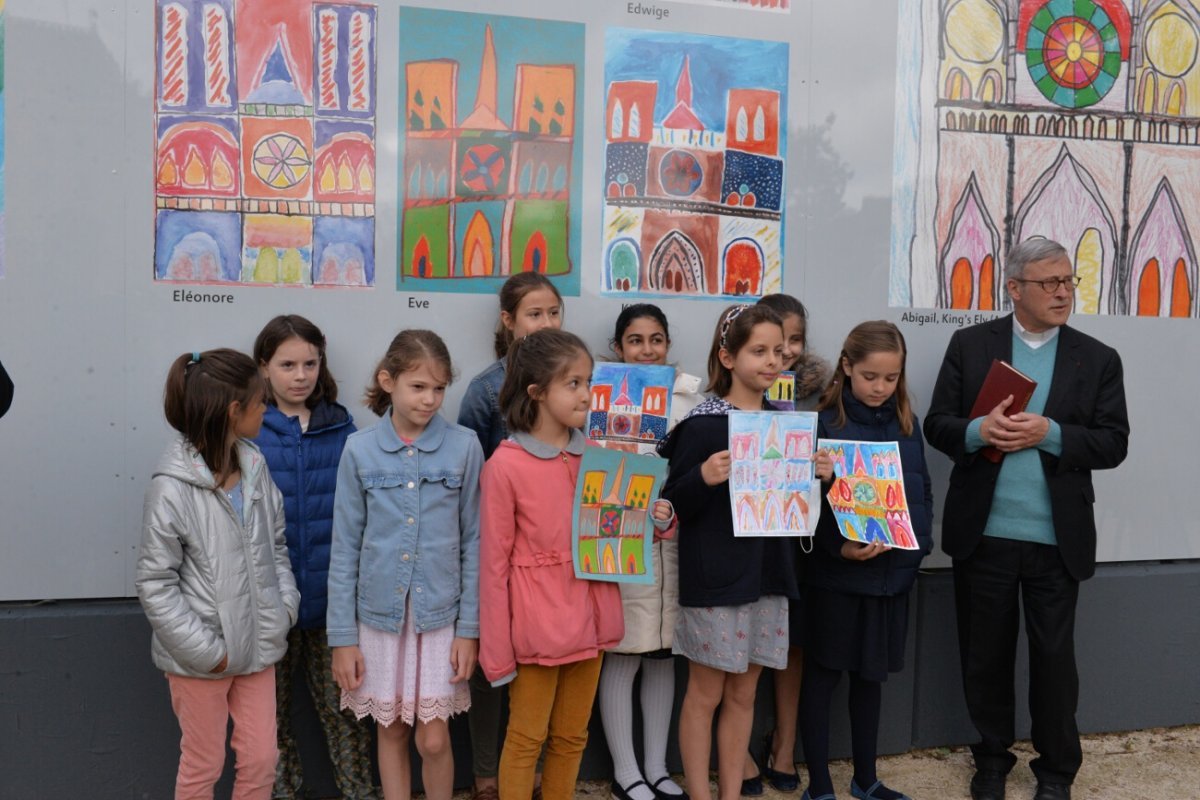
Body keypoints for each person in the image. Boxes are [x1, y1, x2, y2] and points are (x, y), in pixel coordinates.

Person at [924, 238, 1129, 800]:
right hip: (984, 534)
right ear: (1014, 288)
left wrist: (1051, 433)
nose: (1063, 292)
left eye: (1068, 281)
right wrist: (977, 431)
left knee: (1054, 665)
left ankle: (1057, 771)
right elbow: (936, 424)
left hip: (1055, 540)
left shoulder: (1098, 357)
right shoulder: (970, 346)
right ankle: (991, 760)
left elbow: (1114, 443)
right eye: (1049, 283)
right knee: (985, 657)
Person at [479, 329, 670, 800]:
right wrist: (497, 652)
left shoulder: (603, 457)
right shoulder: (506, 465)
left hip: (592, 623)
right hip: (537, 630)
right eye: (573, 383)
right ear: (536, 392)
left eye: (588, 382)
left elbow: (622, 534)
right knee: (526, 739)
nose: (587, 394)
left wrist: (657, 518)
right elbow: (492, 566)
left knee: (572, 737)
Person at [137, 349, 300, 800]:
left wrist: (283, 610)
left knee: (263, 760)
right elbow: (155, 583)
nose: (266, 409)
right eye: (260, 401)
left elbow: (278, 546)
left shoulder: (256, 467)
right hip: (201, 659)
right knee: (203, 763)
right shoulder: (170, 488)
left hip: (260, 646)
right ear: (234, 411)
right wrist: (208, 652)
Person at [327, 330, 483, 800]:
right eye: (419, 387)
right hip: (377, 618)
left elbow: (474, 542)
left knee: (433, 738)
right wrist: (342, 639)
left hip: (441, 617)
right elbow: (344, 547)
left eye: (439, 388)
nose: (431, 399)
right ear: (388, 381)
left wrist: (469, 629)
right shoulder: (359, 450)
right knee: (391, 730)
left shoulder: (465, 446)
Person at [658, 305, 799, 800]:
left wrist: (818, 474)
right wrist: (701, 478)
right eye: (758, 351)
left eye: (778, 351)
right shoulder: (701, 426)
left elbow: (794, 511)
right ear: (727, 356)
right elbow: (669, 508)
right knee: (706, 693)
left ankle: (731, 792)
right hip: (716, 580)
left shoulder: (787, 426)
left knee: (744, 693)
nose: (771, 361)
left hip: (768, 578)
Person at [798, 321, 933, 800]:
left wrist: (917, 548)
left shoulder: (907, 423)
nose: (880, 388)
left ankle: (865, 779)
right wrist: (839, 547)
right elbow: (802, 511)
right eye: (870, 376)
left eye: (891, 378)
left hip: (889, 577)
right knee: (821, 676)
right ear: (847, 367)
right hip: (836, 579)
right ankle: (818, 785)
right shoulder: (821, 424)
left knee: (870, 679)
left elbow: (921, 492)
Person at [250, 315, 377, 800]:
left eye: (309, 363)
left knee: (343, 712)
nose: (300, 375)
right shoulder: (249, 430)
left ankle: (360, 792)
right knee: (269, 721)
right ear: (264, 367)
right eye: (287, 364)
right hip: (268, 609)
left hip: (332, 609)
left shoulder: (343, 428)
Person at [459, 272, 563, 800]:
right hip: (499, 555)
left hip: (553, 562)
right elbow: (470, 480)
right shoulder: (484, 391)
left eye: (553, 313)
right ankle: (485, 775)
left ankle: (532, 768)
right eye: (534, 314)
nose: (545, 323)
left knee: (542, 665)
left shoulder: (573, 387)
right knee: (490, 666)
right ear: (508, 322)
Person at [598, 304, 702, 800]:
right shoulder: (601, 400)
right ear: (619, 347)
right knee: (625, 651)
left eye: (656, 339)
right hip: (623, 542)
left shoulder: (690, 402)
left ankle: (658, 768)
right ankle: (626, 772)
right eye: (635, 340)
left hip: (675, 547)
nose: (647, 349)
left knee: (664, 654)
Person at [743, 294, 831, 795]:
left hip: (804, 538)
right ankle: (738, 749)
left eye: (794, 340)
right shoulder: (740, 391)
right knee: (750, 645)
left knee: (793, 644)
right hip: (754, 535)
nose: (785, 352)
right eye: (775, 342)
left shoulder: (823, 391)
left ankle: (784, 743)